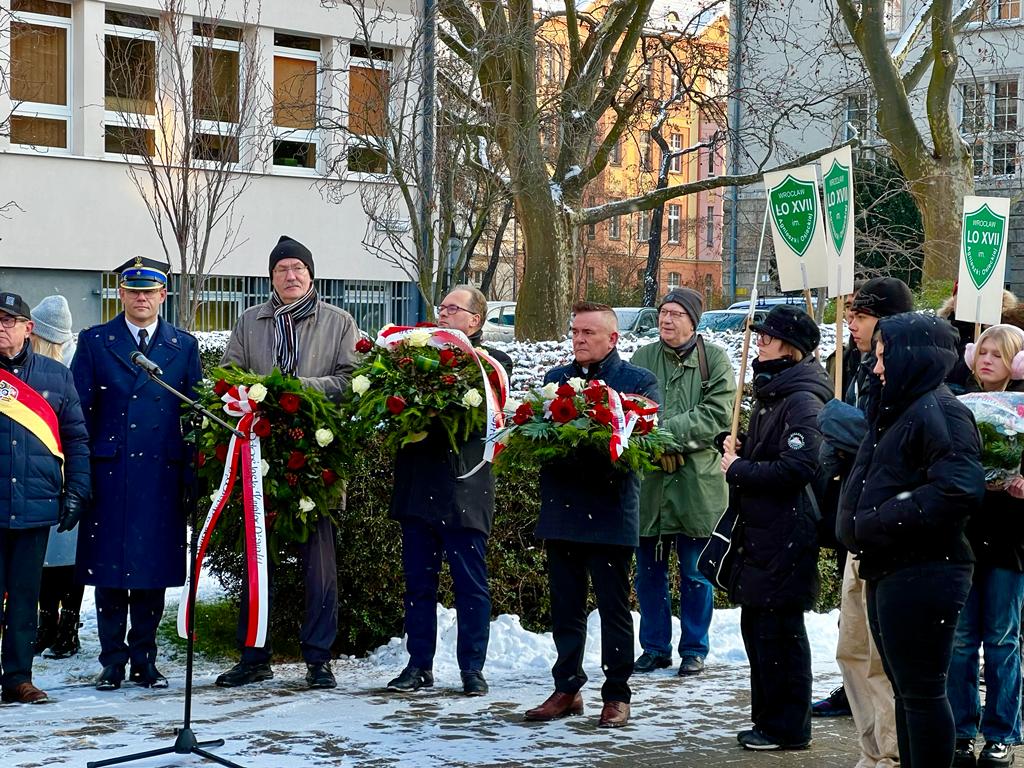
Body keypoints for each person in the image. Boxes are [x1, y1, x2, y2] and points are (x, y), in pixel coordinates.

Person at [838, 312, 984, 768]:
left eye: (885, 358)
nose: (877, 368)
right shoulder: (901, 408)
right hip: (893, 565)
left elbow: (958, 487)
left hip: (925, 568)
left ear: (913, 359)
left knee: (920, 692)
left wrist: (879, 520)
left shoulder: (940, 410)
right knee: (906, 692)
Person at [215, 235, 359, 690]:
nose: (291, 276)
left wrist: (293, 390)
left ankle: (319, 658)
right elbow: (228, 377)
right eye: (282, 270)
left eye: (298, 268)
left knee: (319, 562)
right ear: (271, 276)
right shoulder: (249, 321)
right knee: (259, 559)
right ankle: (254, 654)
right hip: (259, 455)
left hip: (315, 456)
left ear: (311, 275)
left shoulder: (338, 321)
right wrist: (250, 394)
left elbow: (352, 380)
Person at [524, 302, 659, 728]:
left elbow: (642, 445)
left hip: (609, 509)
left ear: (612, 338)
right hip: (562, 507)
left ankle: (617, 694)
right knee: (565, 606)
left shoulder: (637, 382)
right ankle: (567, 687)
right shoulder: (554, 380)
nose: (578, 339)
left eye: (588, 332)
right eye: (575, 331)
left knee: (612, 607)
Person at [72, 258, 202, 691]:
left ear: (164, 295)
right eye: (134, 291)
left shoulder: (183, 346)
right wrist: (81, 473)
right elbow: (78, 414)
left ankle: (145, 659)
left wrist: (191, 475)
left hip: (160, 474)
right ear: (121, 295)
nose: (142, 298)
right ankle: (112, 660)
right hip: (109, 470)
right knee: (110, 569)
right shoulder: (95, 342)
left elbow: (193, 415)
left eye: (150, 291)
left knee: (150, 570)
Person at [386, 285, 513, 696]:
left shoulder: (492, 365)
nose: (443, 314)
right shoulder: (412, 358)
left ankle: (471, 668)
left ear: (475, 320)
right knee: (417, 584)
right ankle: (418, 663)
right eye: (441, 307)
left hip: (465, 488)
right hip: (418, 484)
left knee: (470, 586)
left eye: (453, 309)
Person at [719, 304, 831, 751]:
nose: (759, 344)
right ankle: (768, 720)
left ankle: (787, 727)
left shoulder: (801, 399)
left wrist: (740, 468)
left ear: (791, 348)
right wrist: (739, 448)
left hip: (785, 533)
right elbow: (771, 453)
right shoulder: (775, 393)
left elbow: (798, 466)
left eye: (767, 338)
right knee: (759, 631)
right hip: (763, 532)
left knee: (779, 635)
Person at [824, 276, 913, 768]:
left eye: (860, 316)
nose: (851, 324)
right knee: (851, 649)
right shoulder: (856, 366)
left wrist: (846, 427)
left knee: (882, 658)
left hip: (890, 539)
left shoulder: (912, 378)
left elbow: (892, 447)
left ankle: (893, 753)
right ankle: (871, 749)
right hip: (856, 529)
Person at [629, 288, 734, 677]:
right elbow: (628, 409)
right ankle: (655, 648)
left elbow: (717, 416)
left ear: (694, 320)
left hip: (696, 484)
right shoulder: (643, 358)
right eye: (662, 313)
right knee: (649, 574)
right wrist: (655, 445)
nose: (666, 320)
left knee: (695, 572)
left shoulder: (715, 360)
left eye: (675, 314)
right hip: (652, 482)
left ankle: (694, 648)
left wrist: (665, 435)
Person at [0, 292, 90, 703]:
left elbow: (76, 439)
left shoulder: (56, 376)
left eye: (9, 321)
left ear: (28, 328)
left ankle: (18, 678)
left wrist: (76, 491)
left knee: (24, 599)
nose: (3, 328)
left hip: (35, 507)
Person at [949, 324, 1024, 768]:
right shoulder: (958, 404)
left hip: (1012, 538)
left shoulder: (1023, 409)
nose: (988, 360)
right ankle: (961, 729)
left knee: (1002, 639)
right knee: (960, 640)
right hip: (966, 535)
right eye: (983, 352)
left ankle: (1001, 732)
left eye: (999, 354)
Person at [30, 295, 85, 659]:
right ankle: (48, 624)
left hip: (64, 471)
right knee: (47, 556)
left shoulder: (69, 369)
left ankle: (67, 627)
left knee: (69, 555)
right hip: (42, 473)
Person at [937, 285, 1018, 395]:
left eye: (997, 355)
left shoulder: (1009, 333)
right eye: (981, 353)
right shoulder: (941, 330)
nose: (987, 360)